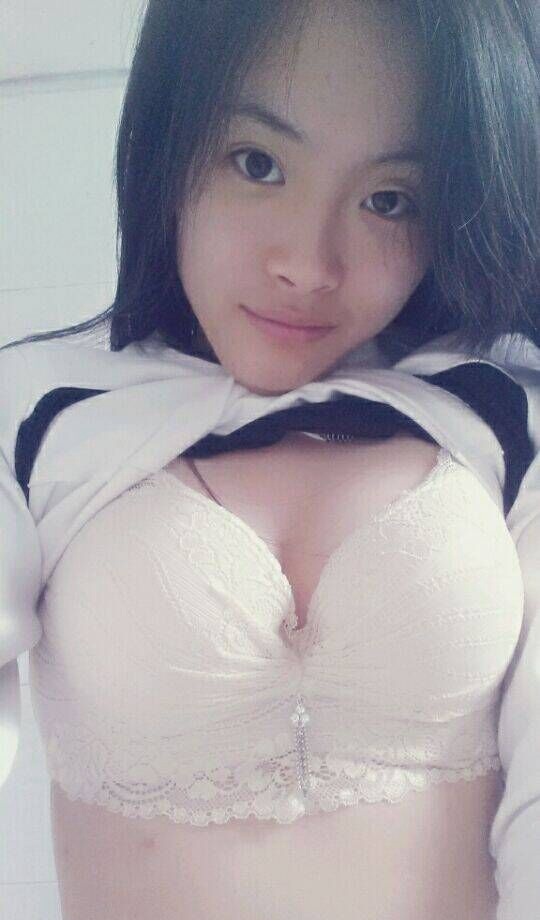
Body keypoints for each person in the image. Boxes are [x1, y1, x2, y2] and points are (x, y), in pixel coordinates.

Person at [0, 1, 538, 918]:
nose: (309, 265)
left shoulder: (502, 410)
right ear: (170, 145)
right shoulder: (38, 411)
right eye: (258, 163)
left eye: (388, 200)